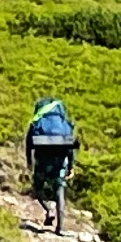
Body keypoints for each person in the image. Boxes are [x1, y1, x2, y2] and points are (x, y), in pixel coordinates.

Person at [22, 98, 77, 233]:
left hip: (43, 158)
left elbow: (29, 145)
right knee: (59, 187)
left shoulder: (37, 121)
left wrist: (29, 162)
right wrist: (70, 166)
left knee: (37, 188)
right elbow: (70, 148)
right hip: (60, 159)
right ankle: (60, 227)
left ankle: (49, 210)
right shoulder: (64, 122)